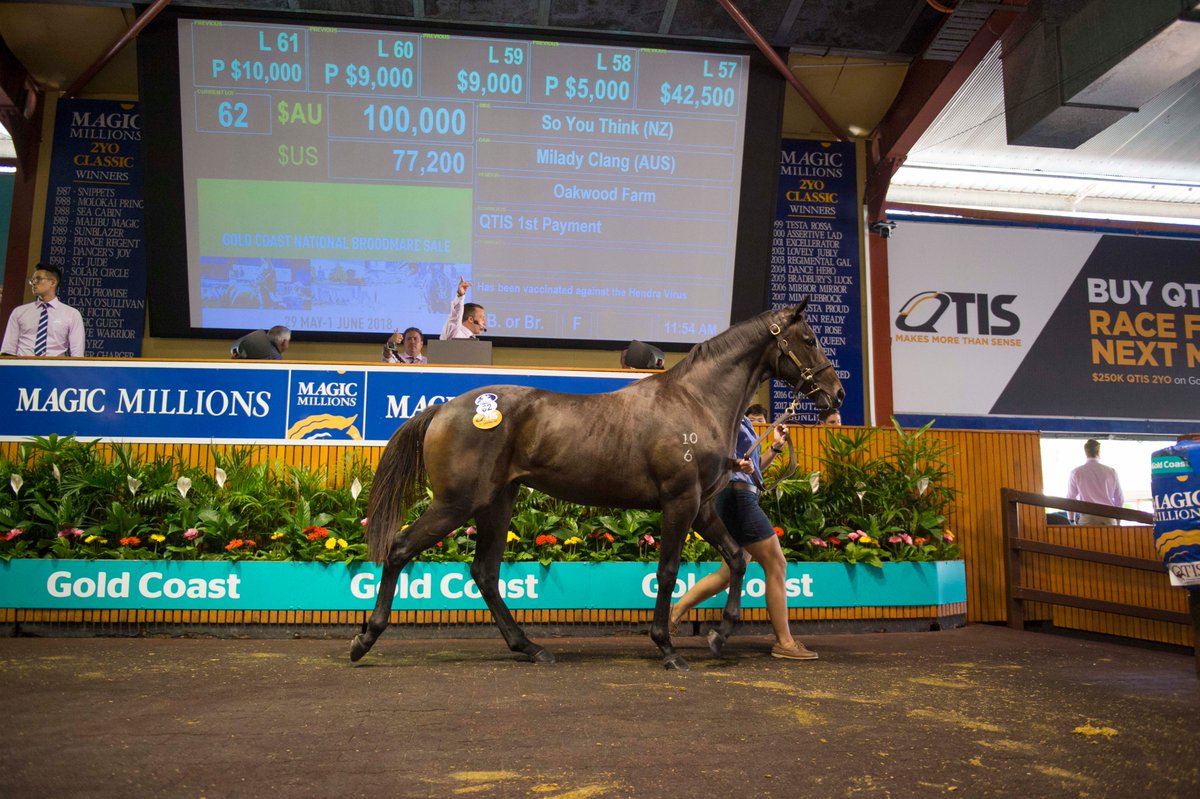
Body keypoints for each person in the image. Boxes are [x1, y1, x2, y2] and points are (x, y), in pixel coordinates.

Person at [670, 407, 818, 660]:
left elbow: (753, 469)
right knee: (776, 563)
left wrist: (776, 448)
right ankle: (785, 642)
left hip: (741, 494)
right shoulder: (727, 416)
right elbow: (711, 455)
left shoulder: (743, 420)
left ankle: (673, 613)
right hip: (738, 498)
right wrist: (733, 464)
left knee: (727, 573)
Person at [1, 262, 86, 357]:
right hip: (23, 367)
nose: (33, 283)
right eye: (32, 280)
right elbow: (8, 349)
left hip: (55, 369)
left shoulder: (72, 314)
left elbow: (77, 353)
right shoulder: (19, 312)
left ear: (53, 282)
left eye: (38, 279)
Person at [1066, 439, 1124, 525]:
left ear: (1085, 452)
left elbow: (1070, 499)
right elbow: (1119, 498)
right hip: (1108, 517)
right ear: (1099, 451)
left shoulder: (1076, 472)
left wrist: (1072, 520)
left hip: (1087, 518)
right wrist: (1118, 521)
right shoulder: (1111, 472)